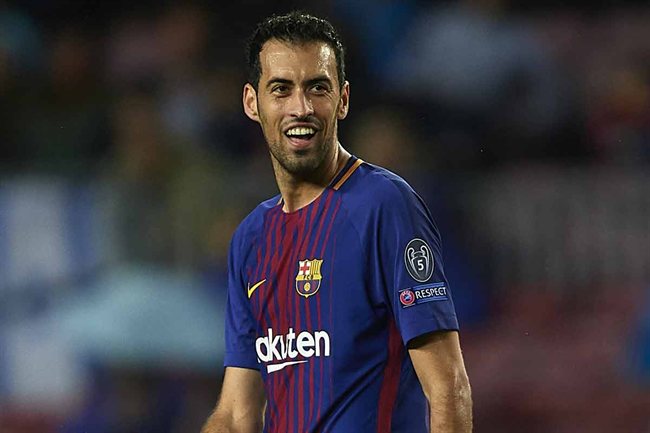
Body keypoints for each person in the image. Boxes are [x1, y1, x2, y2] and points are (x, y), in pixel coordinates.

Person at [202, 11, 472, 433]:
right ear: (252, 103)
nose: (301, 108)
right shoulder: (250, 239)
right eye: (281, 89)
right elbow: (237, 414)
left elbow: (448, 387)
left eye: (317, 88)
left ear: (342, 99)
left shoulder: (384, 205)